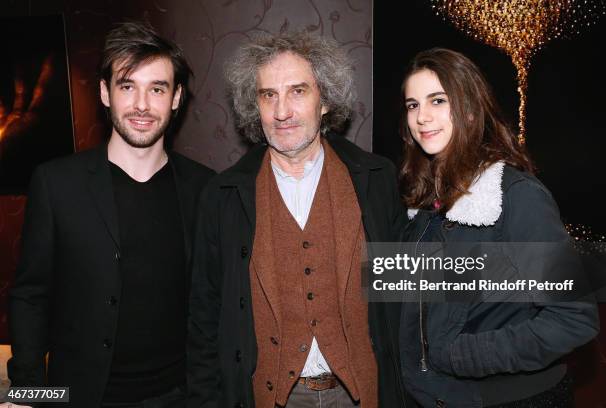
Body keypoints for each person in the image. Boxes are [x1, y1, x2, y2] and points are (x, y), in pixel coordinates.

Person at [187, 32, 410, 408]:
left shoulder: (376, 180)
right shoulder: (222, 196)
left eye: (298, 91)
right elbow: (204, 318)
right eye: (268, 95)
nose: (281, 111)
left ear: (324, 100)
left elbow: (403, 298)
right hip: (267, 396)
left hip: (362, 393)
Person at [7, 22, 215, 407]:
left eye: (157, 88)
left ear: (176, 98)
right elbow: (30, 297)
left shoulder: (206, 189)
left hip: (178, 398)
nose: (141, 105)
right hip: (78, 397)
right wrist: (27, 395)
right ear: (105, 93)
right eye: (127, 86)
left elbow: (213, 307)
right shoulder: (57, 184)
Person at [397, 48, 599, 407]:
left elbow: (574, 319)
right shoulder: (423, 202)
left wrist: (461, 355)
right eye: (412, 105)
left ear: (472, 110)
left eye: (438, 100)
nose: (422, 117)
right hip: (435, 396)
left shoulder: (517, 196)